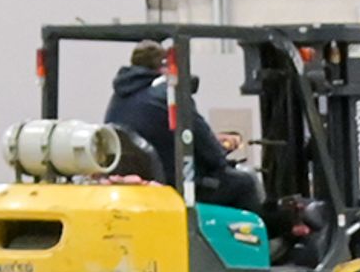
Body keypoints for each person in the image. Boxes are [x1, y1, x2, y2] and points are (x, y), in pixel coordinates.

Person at [106, 42, 265, 214]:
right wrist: (221, 148)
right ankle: (253, 239)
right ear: (165, 65)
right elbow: (213, 155)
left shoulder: (119, 97)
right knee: (245, 182)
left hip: (140, 184)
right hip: (176, 185)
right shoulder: (170, 95)